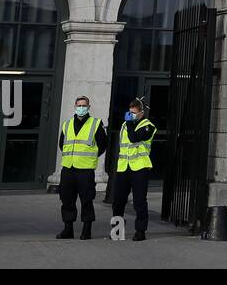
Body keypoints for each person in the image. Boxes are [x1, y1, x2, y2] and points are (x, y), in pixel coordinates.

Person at [56, 95, 108, 240]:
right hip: (68, 168)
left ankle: (87, 229)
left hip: (85, 169)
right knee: (66, 200)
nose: (81, 108)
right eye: (79, 105)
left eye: (84, 106)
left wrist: (90, 157)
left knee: (86, 200)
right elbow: (62, 144)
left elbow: (103, 144)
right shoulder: (67, 124)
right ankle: (68, 229)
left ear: (89, 107)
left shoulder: (96, 123)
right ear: (75, 106)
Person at [110, 98, 156, 241]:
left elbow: (134, 138)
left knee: (139, 201)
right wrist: (129, 122)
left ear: (141, 113)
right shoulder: (125, 125)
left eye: (134, 113)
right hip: (124, 167)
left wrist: (130, 122)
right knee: (118, 201)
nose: (130, 115)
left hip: (140, 167)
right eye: (129, 113)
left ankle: (140, 231)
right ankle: (117, 230)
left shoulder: (148, 126)